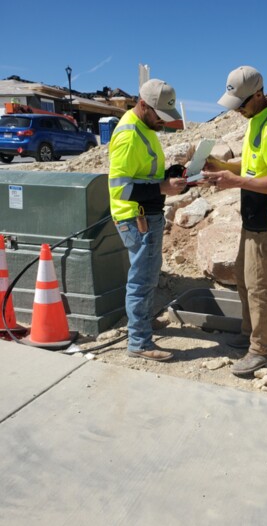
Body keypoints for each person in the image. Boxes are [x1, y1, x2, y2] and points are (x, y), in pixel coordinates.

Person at [203, 66, 267, 376]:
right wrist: (219, 165)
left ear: (258, 94)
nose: (238, 110)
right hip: (253, 215)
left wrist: (235, 182)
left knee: (257, 286)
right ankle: (248, 333)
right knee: (243, 277)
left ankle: (261, 350)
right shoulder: (255, 121)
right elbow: (251, 164)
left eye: (241, 103)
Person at [108, 79, 187, 362]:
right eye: (159, 116)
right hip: (135, 218)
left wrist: (169, 175)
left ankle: (141, 325)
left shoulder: (145, 127)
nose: (163, 123)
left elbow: (144, 175)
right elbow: (121, 188)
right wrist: (163, 188)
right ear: (143, 105)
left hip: (146, 214)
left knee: (149, 275)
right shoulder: (130, 135)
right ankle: (139, 341)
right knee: (142, 280)